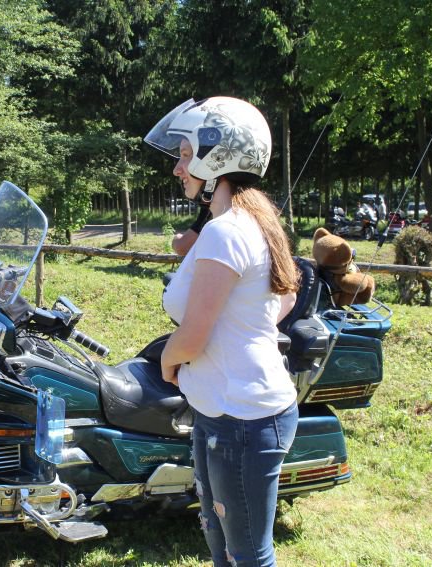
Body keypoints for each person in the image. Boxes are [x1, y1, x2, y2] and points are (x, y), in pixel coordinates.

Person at [145, 96, 300, 567]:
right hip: (226, 410)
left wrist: (169, 360)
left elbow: (193, 334)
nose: (178, 168)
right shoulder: (247, 222)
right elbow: (285, 297)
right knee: (223, 546)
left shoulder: (226, 230)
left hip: (243, 418)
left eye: (186, 154)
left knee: (246, 554)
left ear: (218, 156)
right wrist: (245, 328)